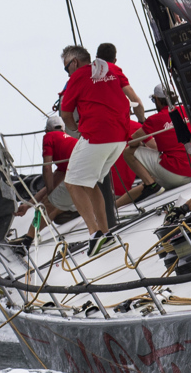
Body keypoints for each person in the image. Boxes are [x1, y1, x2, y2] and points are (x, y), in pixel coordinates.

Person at [59, 45, 146, 255]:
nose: (67, 72)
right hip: (119, 140)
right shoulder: (112, 69)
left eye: (65, 68)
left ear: (74, 63)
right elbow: (135, 100)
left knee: (72, 183)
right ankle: (105, 233)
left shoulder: (78, 76)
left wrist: (75, 129)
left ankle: (94, 233)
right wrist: (142, 119)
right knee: (89, 183)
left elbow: (65, 112)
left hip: (96, 136)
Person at [117, 85, 191, 206]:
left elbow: (132, 142)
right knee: (152, 177)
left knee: (128, 152)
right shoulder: (187, 111)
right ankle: (150, 185)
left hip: (174, 173)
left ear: (158, 100)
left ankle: (149, 186)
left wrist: (140, 142)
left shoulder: (154, 120)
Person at [12, 116, 79, 248]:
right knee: (53, 207)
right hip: (89, 183)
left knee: (48, 204)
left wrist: (48, 195)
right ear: (64, 130)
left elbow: (47, 167)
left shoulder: (49, 137)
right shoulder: (72, 144)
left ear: (46, 131)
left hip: (78, 181)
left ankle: (26, 243)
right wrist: (28, 205)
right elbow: (49, 187)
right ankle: (29, 238)